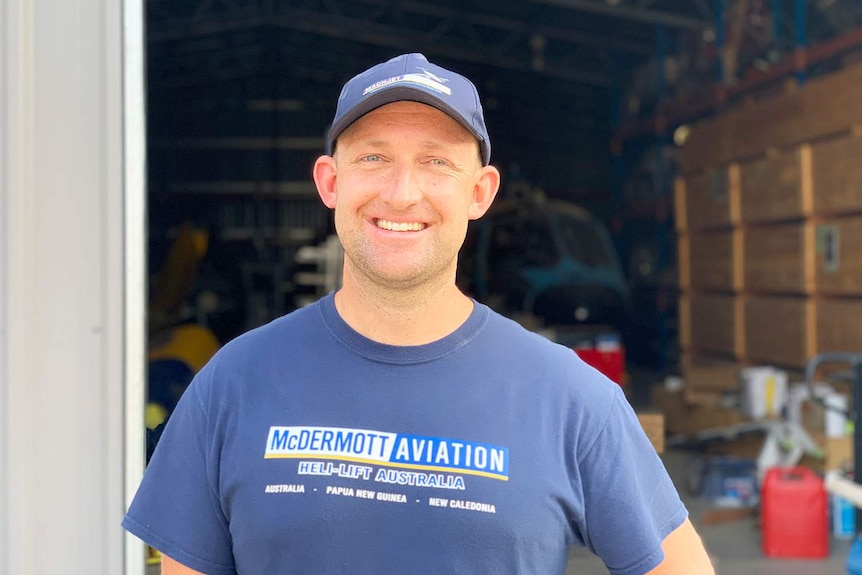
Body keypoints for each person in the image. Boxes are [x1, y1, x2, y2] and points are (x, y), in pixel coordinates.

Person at [123, 53, 715, 575]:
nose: (402, 192)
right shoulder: (232, 384)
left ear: (480, 193)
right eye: (374, 157)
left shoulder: (572, 400)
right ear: (330, 182)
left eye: (436, 162)